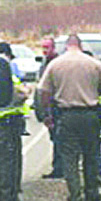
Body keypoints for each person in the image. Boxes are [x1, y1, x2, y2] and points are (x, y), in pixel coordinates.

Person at [36, 34, 101, 201]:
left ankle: (75, 198)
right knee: (91, 155)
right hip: (90, 115)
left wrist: (47, 115)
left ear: (66, 46)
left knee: (69, 158)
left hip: (67, 116)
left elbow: (43, 92)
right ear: (80, 45)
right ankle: (92, 194)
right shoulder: (94, 64)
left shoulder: (55, 64)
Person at [0, 40, 30, 201]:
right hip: (9, 122)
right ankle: (10, 199)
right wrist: (27, 91)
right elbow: (19, 94)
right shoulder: (5, 72)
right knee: (10, 162)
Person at [34, 36, 63, 179]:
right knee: (54, 138)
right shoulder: (44, 64)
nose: (44, 51)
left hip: (57, 107)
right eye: (43, 48)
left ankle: (60, 168)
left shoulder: (58, 64)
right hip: (48, 108)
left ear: (54, 48)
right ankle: (58, 167)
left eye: (47, 47)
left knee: (59, 139)